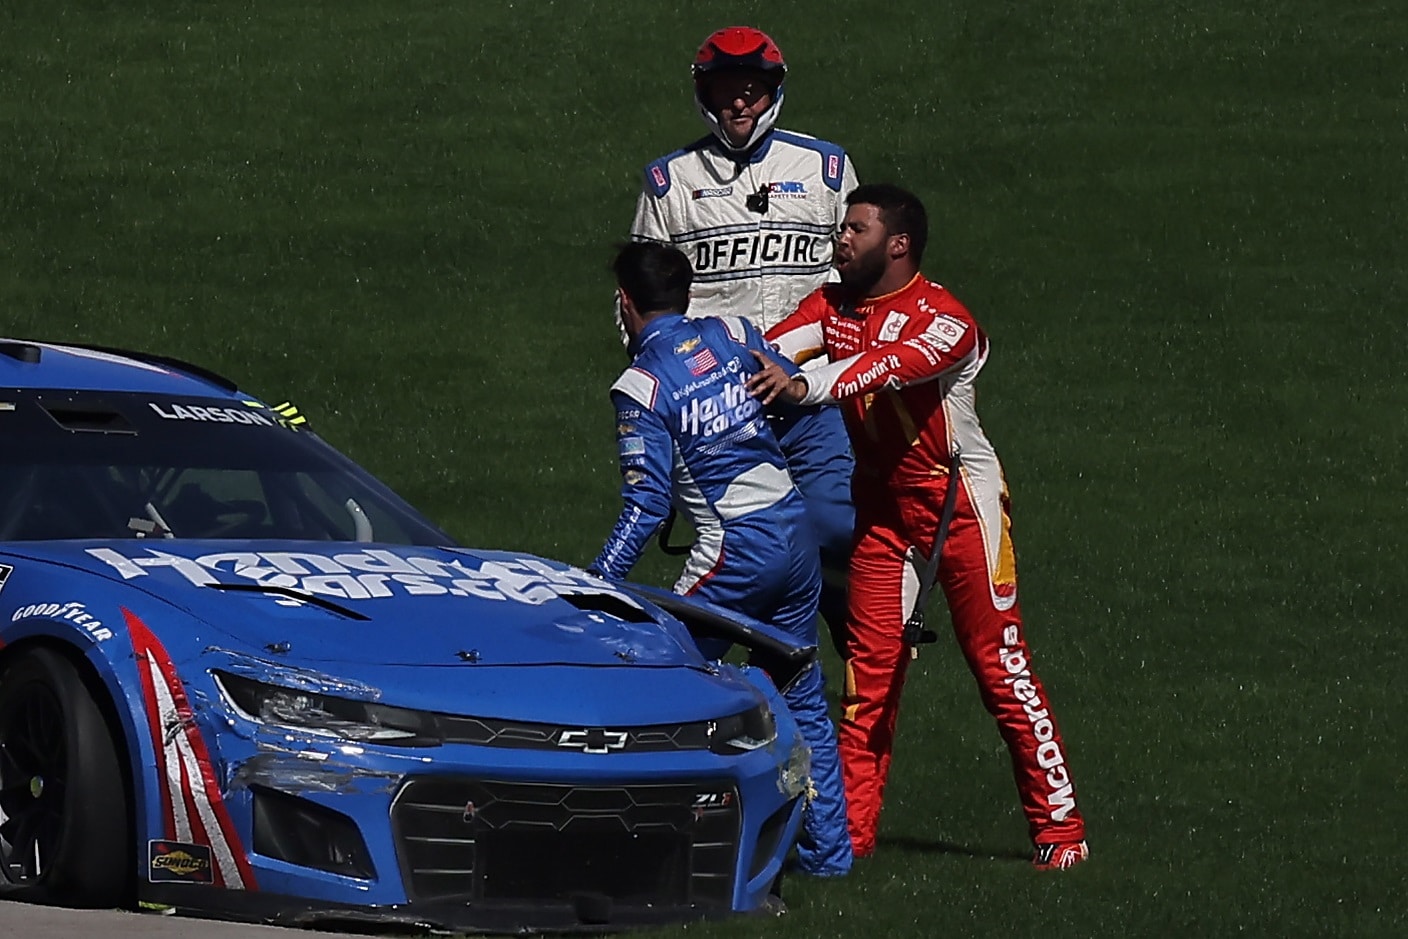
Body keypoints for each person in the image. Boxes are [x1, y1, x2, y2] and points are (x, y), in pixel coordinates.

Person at [746, 184, 1089, 870]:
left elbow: (886, 367)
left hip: (959, 509)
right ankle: (849, 838)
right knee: (867, 682)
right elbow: (777, 346)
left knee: (1000, 669)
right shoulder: (835, 303)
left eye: (857, 229)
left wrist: (804, 384)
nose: (842, 238)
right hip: (882, 513)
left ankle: (1061, 830)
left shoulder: (944, 319)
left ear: (897, 244)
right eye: (842, 227)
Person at [588, 241, 852, 877]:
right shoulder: (734, 330)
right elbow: (784, 389)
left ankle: (643, 854)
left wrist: (594, 585)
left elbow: (646, 507)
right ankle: (827, 861)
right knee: (802, 697)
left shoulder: (640, 386)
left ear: (624, 303)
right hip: (795, 535)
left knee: (657, 689)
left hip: (735, 553)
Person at [624, 25, 858, 650]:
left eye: (752, 90)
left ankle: (838, 611)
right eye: (728, 91)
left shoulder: (826, 169)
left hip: (809, 392)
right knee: (741, 548)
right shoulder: (668, 183)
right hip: (719, 407)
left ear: (773, 91)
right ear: (705, 93)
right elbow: (638, 297)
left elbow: (858, 276)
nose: (740, 104)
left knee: (835, 524)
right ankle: (730, 669)